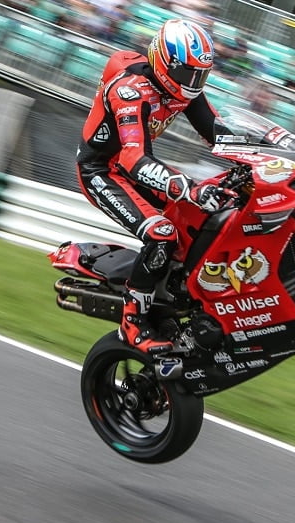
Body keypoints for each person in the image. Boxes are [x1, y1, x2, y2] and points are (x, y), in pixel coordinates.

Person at [75, 19, 232, 354]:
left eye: (200, 75)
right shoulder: (130, 92)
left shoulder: (182, 90)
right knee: (161, 233)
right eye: (188, 73)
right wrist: (189, 188)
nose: (193, 83)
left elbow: (221, 135)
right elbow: (133, 158)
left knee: (207, 215)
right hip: (102, 171)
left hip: (132, 168)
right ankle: (133, 321)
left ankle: (173, 295)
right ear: (164, 62)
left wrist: (264, 155)